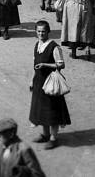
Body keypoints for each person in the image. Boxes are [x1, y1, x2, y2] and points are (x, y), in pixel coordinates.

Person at [28, 20, 70, 151]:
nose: (41, 34)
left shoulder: (54, 47)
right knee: (41, 110)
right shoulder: (37, 45)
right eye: (38, 31)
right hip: (39, 82)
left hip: (51, 84)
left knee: (52, 111)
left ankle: (53, 138)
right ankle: (45, 135)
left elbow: (61, 64)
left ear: (48, 32)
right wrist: (32, 80)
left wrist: (45, 65)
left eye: (43, 31)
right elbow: (35, 65)